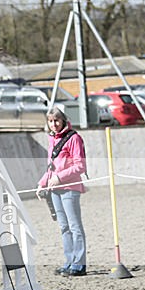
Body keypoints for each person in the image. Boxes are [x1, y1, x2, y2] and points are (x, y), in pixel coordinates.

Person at [36, 105, 87, 277]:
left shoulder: (74, 138)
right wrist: (42, 183)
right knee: (64, 227)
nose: (53, 124)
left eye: (56, 120)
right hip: (55, 189)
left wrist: (60, 177)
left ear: (63, 120)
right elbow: (52, 167)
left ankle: (79, 264)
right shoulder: (52, 139)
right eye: (50, 121)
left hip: (70, 188)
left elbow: (80, 166)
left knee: (74, 226)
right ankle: (69, 261)